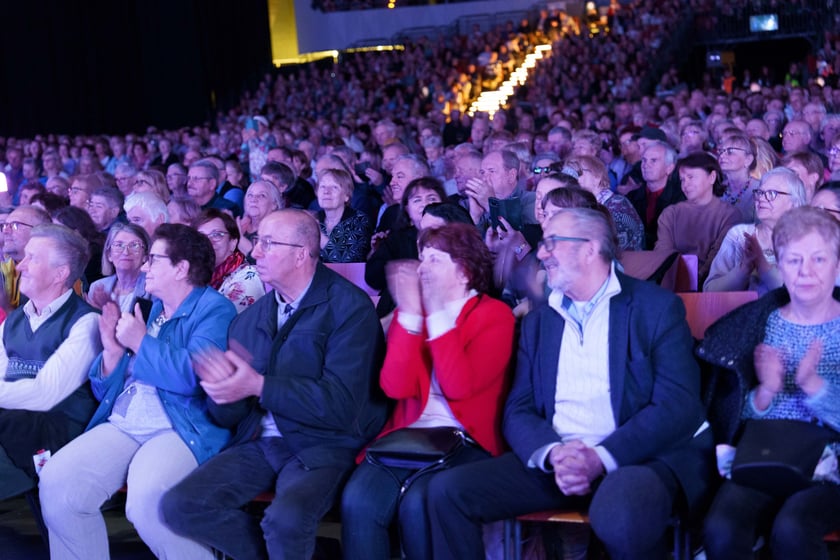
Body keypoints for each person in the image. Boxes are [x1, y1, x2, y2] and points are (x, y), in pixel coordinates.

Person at [426, 207, 714, 560]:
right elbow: (519, 410)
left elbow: (677, 406)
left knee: (622, 508)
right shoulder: (541, 321)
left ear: (590, 249)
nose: (541, 253)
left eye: (552, 243)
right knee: (446, 491)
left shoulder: (654, 308)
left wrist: (599, 457)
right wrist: (554, 454)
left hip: (636, 459)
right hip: (561, 460)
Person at [160, 209, 389, 559]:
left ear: (301, 254)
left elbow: (341, 405)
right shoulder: (251, 318)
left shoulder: (350, 308)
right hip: (262, 442)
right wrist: (222, 390)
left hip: (323, 444)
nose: (255, 252)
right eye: (257, 241)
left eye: (268, 243)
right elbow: (230, 416)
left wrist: (259, 386)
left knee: (285, 521)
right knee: (180, 506)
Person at [39, 224, 237, 560]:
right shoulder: (153, 307)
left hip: (180, 425)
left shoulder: (215, 309)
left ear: (181, 268)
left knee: (148, 504)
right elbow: (107, 391)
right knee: (58, 482)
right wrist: (113, 354)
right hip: (128, 420)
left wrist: (138, 343)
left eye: (153, 259)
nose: (144, 267)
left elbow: (195, 376)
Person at [341, 222, 514, 559]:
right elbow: (394, 387)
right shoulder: (413, 312)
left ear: (464, 272)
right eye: (422, 259)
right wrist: (408, 316)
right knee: (358, 499)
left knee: (418, 504)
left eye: (434, 259)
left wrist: (434, 314)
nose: (422, 268)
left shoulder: (495, 315)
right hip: (409, 437)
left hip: (466, 439)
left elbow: (458, 387)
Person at [701, 206, 840, 560]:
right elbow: (736, 415)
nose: (805, 271)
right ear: (779, 265)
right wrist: (764, 393)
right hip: (766, 456)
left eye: (819, 259)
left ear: (837, 265)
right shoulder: (759, 323)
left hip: (831, 466)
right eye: (793, 261)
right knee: (721, 527)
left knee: (793, 528)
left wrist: (814, 387)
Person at [0, 224, 100, 501]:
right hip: (13, 425)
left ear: (61, 273)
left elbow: (46, 396)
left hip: (56, 433)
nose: (20, 267)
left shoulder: (87, 322)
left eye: (33, 258)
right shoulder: (15, 320)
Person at [705, 168, 807, 294]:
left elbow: (802, 295)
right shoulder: (739, 236)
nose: (761, 199)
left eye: (771, 194)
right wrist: (743, 269)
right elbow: (709, 291)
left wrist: (763, 266)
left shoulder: (806, 241)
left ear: (794, 203)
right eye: (760, 192)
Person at [655, 153, 741, 283]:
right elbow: (663, 253)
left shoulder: (730, 215)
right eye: (682, 179)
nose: (685, 184)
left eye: (691, 177)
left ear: (712, 177)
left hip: (714, 285)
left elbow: (718, 256)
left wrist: (697, 279)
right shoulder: (670, 214)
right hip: (673, 283)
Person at [366, 177, 446, 318]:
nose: (425, 204)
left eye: (432, 198)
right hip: (399, 309)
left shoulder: (455, 237)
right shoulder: (395, 239)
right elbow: (372, 278)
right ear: (407, 210)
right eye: (417, 200)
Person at [566, 155, 644, 251]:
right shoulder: (580, 207)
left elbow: (608, 253)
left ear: (597, 177)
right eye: (568, 174)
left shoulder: (618, 206)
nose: (571, 179)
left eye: (577, 172)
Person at [193, 209, 264, 313]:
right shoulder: (195, 275)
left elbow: (220, 322)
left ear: (233, 243)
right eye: (201, 236)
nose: (208, 242)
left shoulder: (248, 277)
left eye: (217, 235)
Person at [87, 223, 150, 313]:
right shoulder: (97, 287)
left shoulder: (151, 289)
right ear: (109, 254)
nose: (126, 252)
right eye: (119, 245)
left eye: (134, 245)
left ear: (145, 255)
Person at [315, 168, 372, 263]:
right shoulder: (313, 218)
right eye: (322, 186)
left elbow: (349, 261)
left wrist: (319, 234)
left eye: (334, 187)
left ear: (347, 196)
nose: (326, 191)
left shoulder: (359, 220)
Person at [718, 133, 760, 223]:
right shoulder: (717, 189)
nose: (722, 156)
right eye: (721, 151)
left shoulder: (760, 190)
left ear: (748, 160)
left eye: (730, 152)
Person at [236, 180, 283, 255]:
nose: (253, 199)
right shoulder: (240, 225)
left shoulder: (278, 233)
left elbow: (266, 262)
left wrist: (240, 239)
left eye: (262, 195)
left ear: (274, 204)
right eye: (250, 195)